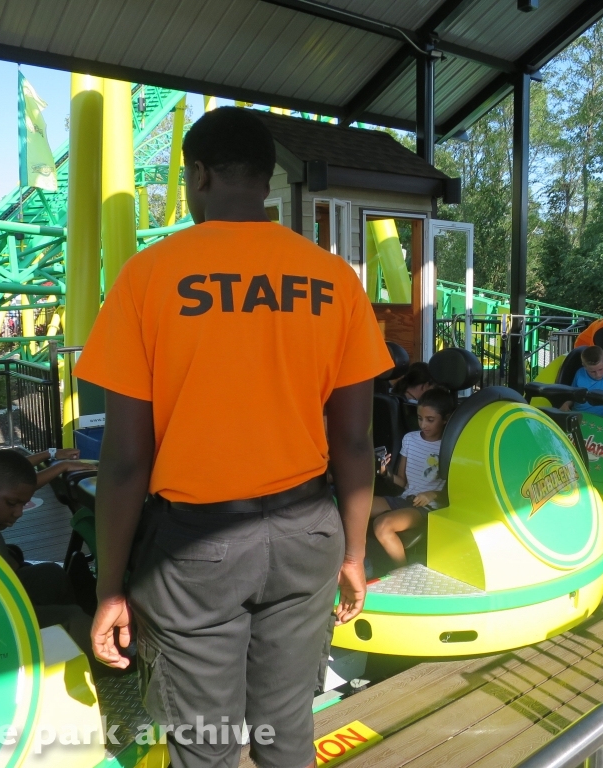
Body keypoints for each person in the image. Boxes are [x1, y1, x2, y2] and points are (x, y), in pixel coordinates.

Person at [75, 107, 391, 768]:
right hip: (308, 532)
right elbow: (355, 444)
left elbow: (127, 459)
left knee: (206, 744)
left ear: (199, 175)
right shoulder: (333, 280)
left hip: (194, 552)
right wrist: (355, 553)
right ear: (267, 175)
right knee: (286, 728)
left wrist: (110, 587)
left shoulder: (147, 277)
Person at [0, 450, 98, 665]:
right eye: (11, 504)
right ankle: (105, 673)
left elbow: (10, 480)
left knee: (50, 574)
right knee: (73, 619)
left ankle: (64, 654)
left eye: (22, 504)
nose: (19, 513)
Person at [371, 388, 454, 567]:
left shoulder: (450, 446)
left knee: (382, 526)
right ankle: (362, 560)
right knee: (355, 508)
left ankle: (403, 572)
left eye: (430, 420)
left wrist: (433, 494)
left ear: (445, 419)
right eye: (419, 418)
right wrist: (385, 472)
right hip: (404, 498)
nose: (423, 424)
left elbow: (459, 490)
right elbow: (403, 482)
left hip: (429, 507)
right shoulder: (410, 439)